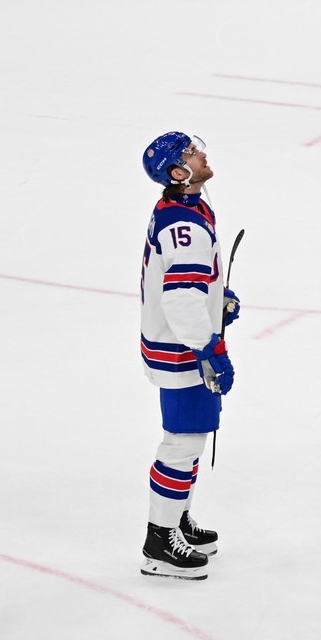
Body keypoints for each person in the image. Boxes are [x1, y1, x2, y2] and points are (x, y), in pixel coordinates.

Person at [136, 132, 235, 579]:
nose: (202, 153)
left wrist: (217, 297)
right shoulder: (185, 225)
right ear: (179, 173)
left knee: (190, 439)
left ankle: (176, 518)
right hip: (182, 350)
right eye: (192, 153)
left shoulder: (188, 207)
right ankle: (160, 541)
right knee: (183, 441)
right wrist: (209, 346)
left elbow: (191, 282)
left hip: (181, 341)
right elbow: (179, 299)